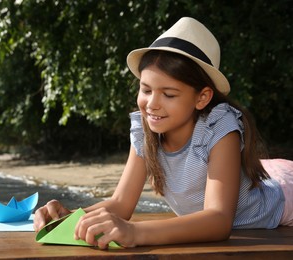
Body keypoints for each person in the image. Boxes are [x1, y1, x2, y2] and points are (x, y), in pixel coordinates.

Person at [33, 17, 293, 249]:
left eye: (168, 94)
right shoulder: (146, 131)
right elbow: (121, 204)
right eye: (146, 90)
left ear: (202, 97)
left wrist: (134, 232)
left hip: (282, 201)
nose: (152, 104)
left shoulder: (219, 128)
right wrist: (67, 218)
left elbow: (218, 221)